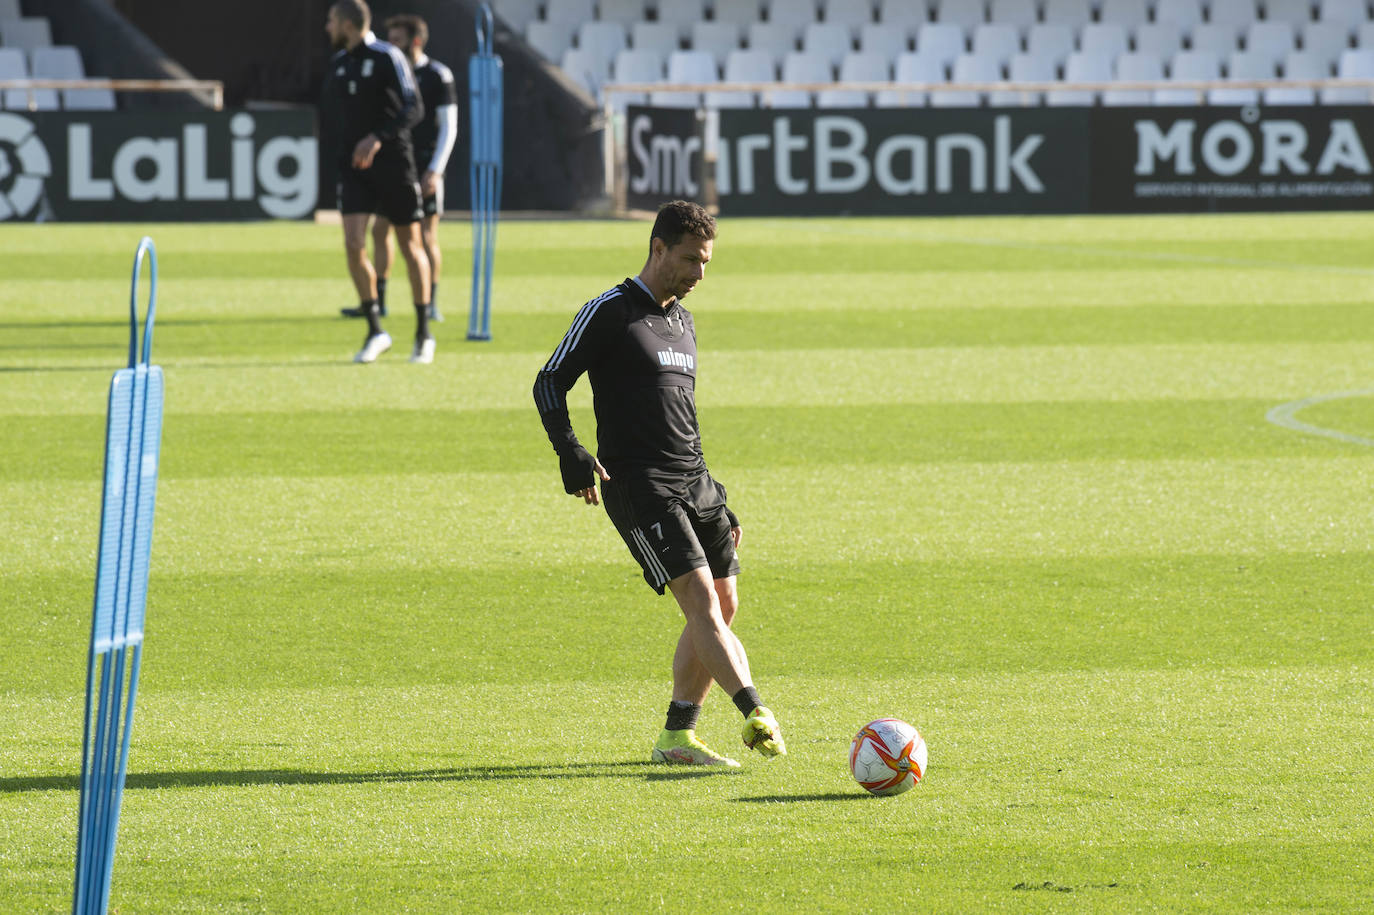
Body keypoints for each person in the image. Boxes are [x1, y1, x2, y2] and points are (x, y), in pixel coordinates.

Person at [533, 201, 787, 768]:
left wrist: (719, 494)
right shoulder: (609, 311)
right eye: (691, 260)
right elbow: (550, 380)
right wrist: (570, 450)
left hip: (694, 480)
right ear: (658, 249)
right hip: (640, 484)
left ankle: (677, 736)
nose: (700, 274)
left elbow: (682, 414)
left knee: (725, 601)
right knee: (699, 600)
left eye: (707, 262)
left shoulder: (683, 320)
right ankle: (753, 709)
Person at [323, 0, 436, 364]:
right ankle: (375, 329)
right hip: (355, 169)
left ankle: (423, 332)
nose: (327, 29)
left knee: (409, 245)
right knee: (354, 242)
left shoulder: (388, 56)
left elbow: (413, 107)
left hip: (393, 164)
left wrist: (377, 137)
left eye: (331, 21)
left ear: (346, 23)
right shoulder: (340, 64)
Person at [342, 14, 458, 325]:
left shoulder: (437, 75)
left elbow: (449, 126)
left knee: (426, 235)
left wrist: (435, 169)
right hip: (394, 164)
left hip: (424, 165)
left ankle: (430, 302)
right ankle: (377, 299)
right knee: (380, 230)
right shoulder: (389, 69)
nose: (391, 44)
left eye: (397, 39)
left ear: (415, 41)